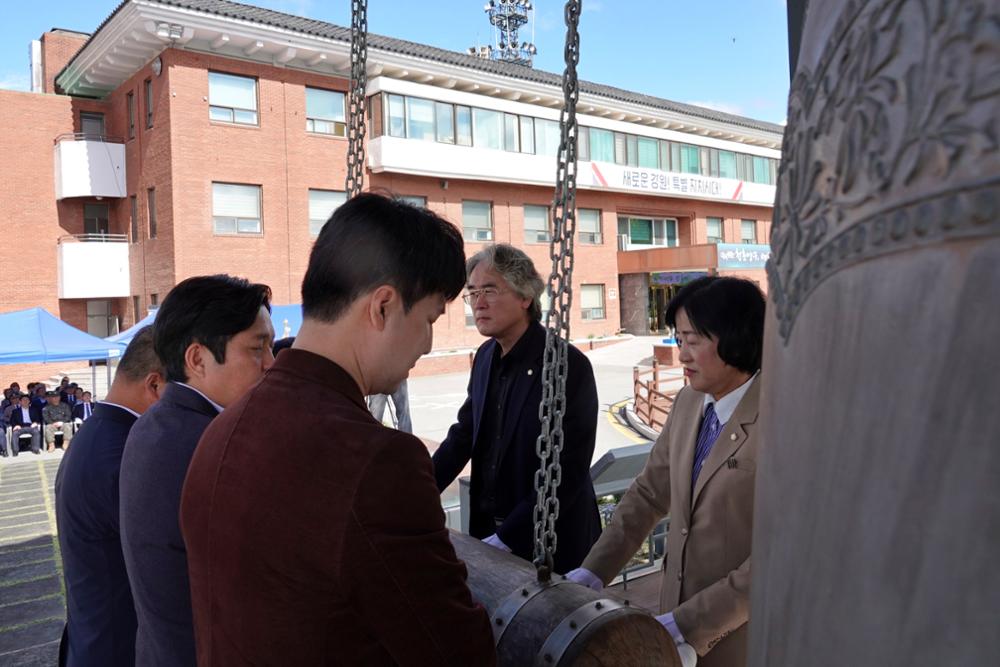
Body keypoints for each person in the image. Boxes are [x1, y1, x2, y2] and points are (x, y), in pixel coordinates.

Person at [181, 193, 496, 665]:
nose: (428, 343)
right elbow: (457, 651)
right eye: (429, 318)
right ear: (383, 307)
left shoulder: (222, 427)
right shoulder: (376, 462)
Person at [566, 276, 766, 667]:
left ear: (737, 337)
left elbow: (780, 556)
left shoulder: (783, 416)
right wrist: (593, 572)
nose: (682, 355)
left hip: (742, 632)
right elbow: (648, 494)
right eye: (678, 339)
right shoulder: (689, 402)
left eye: (693, 341)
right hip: (673, 616)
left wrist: (687, 624)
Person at [119, 274, 274, 667]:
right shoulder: (216, 444)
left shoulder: (153, 424)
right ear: (198, 360)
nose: (271, 365)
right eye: (257, 349)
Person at [432, 243, 601, 573]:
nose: (478, 303)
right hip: (489, 533)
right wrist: (417, 493)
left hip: (551, 544)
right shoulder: (485, 357)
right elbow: (464, 435)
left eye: (490, 291)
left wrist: (508, 537)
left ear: (525, 297)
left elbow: (568, 467)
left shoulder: (566, 365)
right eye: (473, 293)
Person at [55, 326, 164, 667]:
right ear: (156, 386)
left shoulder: (101, 435)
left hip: (94, 639)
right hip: (115, 647)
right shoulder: (124, 452)